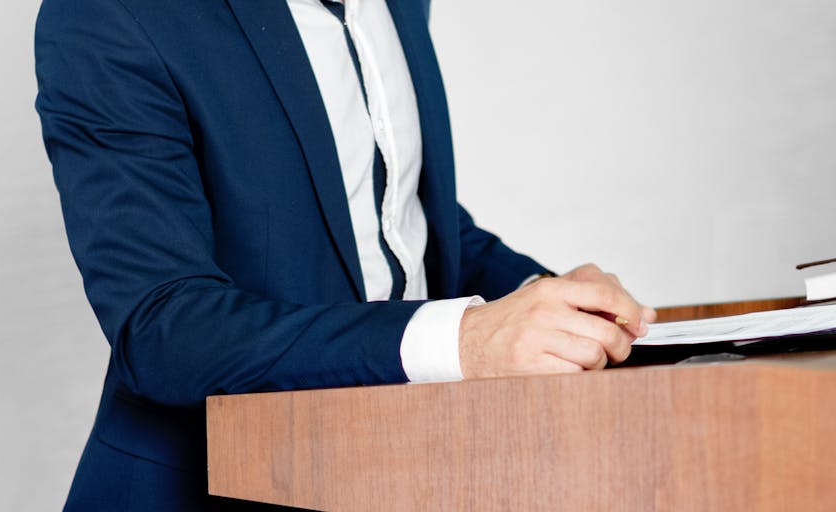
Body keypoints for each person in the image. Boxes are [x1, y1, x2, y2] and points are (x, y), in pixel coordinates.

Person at [34, 0, 656, 509]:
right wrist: (467, 340)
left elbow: (405, 227)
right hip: (209, 488)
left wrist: (546, 298)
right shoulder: (112, 15)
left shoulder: (401, 6)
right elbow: (164, 328)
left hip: (406, 473)